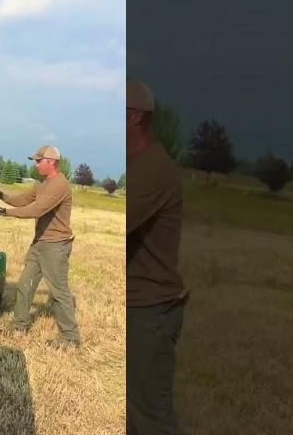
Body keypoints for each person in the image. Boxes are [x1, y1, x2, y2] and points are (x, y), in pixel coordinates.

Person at [126, 79, 189, 434]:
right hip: (141, 308)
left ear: (133, 117)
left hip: (148, 311)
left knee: (149, 420)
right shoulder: (138, 163)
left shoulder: (152, 168)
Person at [0, 145, 81, 349]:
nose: (36, 164)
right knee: (25, 284)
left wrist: (4, 213)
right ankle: (20, 325)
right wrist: (1, 195)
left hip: (55, 245)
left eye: (39, 161)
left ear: (52, 162)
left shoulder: (59, 185)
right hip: (39, 243)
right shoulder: (42, 184)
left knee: (59, 292)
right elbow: (24, 199)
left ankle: (70, 338)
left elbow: (37, 209)